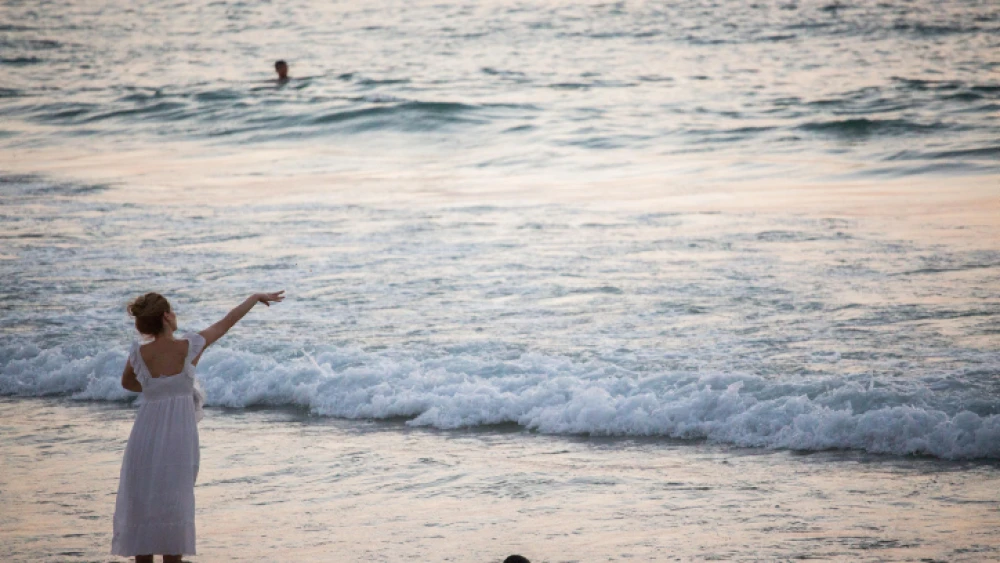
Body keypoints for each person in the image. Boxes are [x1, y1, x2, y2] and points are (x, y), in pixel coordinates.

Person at [111, 290, 285, 562]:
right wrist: (253, 298)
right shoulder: (190, 346)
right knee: (174, 508)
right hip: (178, 441)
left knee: (143, 506)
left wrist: (155, 388)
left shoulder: (139, 352)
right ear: (167, 317)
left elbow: (127, 383)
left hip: (144, 437)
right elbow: (226, 323)